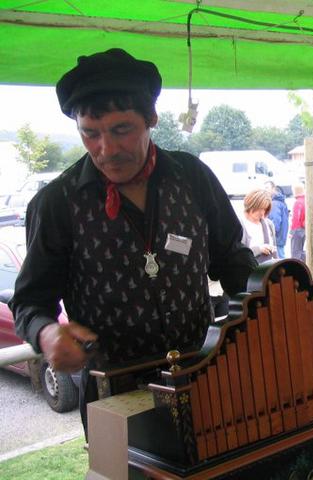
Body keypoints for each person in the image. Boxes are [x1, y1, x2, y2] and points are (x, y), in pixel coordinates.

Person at [8, 48, 257, 434]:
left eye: (121, 130)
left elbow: (236, 265)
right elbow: (29, 301)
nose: (106, 150)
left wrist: (261, 320)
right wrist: (46, 332)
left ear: (151, 118)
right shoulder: (58, 202)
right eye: (90, 134)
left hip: (201, 377)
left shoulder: (192, 178)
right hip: (113, 394)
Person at [241, 188, 278, 263]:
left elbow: (274, 251)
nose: (262, 213)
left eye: (264, 209)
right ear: (251, 205)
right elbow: (238, 254)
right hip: (249, 271)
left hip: (268, 270)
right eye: (259, 209)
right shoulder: (240, 225)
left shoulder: (269, 224)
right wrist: (259, 249)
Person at [265, 180, 289, 259]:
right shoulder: (280, 201)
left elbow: (275, 223)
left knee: (279, 261)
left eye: (267, 188)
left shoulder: (275, 203)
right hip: (281, 237)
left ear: (273, 189)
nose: (265, 190)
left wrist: (270, 235)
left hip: (277, 239)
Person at [290, 183, 306, 261]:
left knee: (295, 253)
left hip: (297, 229)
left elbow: (296, 218)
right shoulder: (305, 200)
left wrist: (291, 232)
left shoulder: (298, 202)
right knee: (300, 250)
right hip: (304, 229)